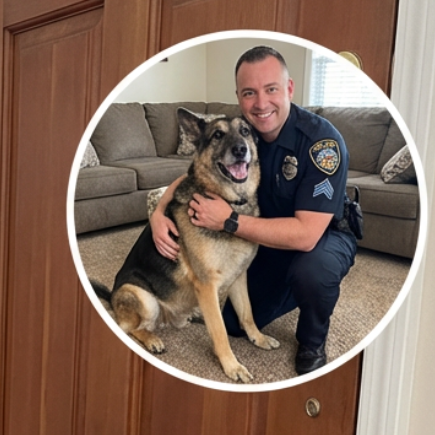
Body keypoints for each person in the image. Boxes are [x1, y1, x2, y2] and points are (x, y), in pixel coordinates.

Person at [150, 45, 357, 375]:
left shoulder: (321, 144)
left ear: (289, 88)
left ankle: (312, 340)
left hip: (321, 236)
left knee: (312, 272)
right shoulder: (244, 130)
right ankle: (287, 285)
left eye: (271, 89)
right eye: (249, 93)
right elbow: (200, 172)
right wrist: (159, 212)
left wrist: (229, 221)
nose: (261, 103)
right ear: (239, 96)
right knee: (232, 322)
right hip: (265, 234)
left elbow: (306, 235)